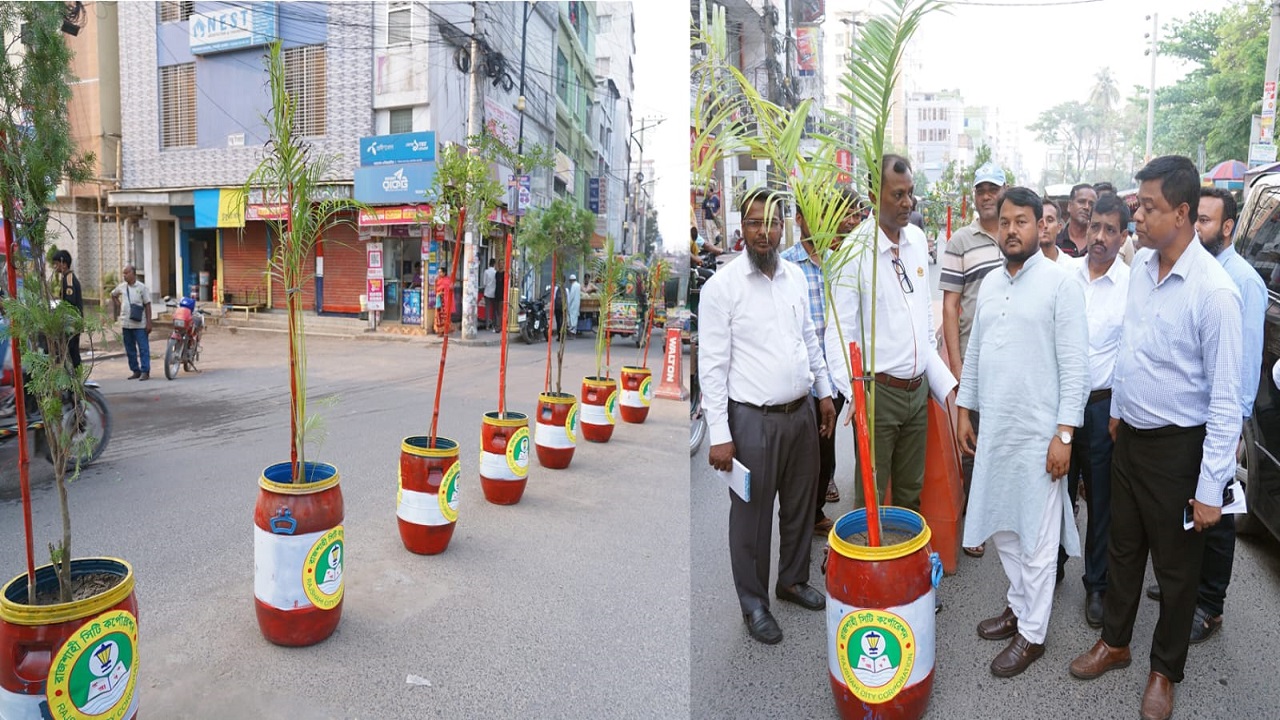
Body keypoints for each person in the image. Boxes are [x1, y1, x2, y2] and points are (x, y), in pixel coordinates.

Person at [1070, 156, 1242, 720]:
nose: (1137, 216)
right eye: (1138, 204)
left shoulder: (1215, 293)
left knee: (1175, 568)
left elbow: (1223, 400)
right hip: (1130, 441)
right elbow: (1131, 348)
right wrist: (1118, 409)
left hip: (1178, 450)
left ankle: (1165, 670)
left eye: (1149, 207)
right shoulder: (1141, 267)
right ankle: (1115, 643)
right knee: (1122, 550)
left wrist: (1211, 485)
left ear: (1184, 213)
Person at [957, 186, 1088, 678]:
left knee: (1035, 538)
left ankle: (1032, 633)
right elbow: (975, 354)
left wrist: (1065, 435)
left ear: (1041, 226)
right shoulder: (990, 283)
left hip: (1040, 437)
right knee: (1004, 528)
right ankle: (1018, 605)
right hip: (997, 430)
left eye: (1023, 221)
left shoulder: (1061, 284)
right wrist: (965, 409)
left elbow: (1076, 368)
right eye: (1005, 221)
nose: (1012, 229)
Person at [699, 188, 836, 645]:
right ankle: (754, 602)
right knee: (752, 517)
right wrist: (720, 434)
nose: (764, 232)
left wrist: (823, 394)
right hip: (752, 421)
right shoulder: (723, 287)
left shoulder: (796, 277)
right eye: (755, 222)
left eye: (772, 223)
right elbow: (712, 368)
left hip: (800, 416)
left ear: (784, 228)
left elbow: (809, 341)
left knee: (800, 505)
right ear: (742, 227)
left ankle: (792, 580)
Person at [1141, 187, 1265, 645]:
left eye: (1207, 222)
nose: (1197, 229)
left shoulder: (1240, 282)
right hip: (1191, 424)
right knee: (1189, 512)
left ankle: (1210, 605)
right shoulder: (1187, 270)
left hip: (1224, 422)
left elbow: (1242, 368)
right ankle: (1185, 586)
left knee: (1217, 516)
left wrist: (1234, 432)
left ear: (1227, 227)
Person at [826, 155, 948, 512]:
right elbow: (837, 331)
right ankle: (868, 566)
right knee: (872, 496)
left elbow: (924, 319)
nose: (907, 203)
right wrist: (853, 394)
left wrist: (943, 386)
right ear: (872, 194)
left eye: (910, 193)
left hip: (917, 392)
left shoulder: (917, 240)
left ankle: (904, 565)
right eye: (897, 195)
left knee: (911, 491)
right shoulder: (854, 252)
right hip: (877, 394)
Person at [781, 186, 861, 533]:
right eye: (812, 214)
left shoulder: (839, 261)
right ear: (799, 219)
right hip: (802, 374)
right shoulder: (785, 264)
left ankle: (813, 511)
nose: (820, 222)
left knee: (826, 445)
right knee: (804, 451)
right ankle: (800, 513)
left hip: (835, 371)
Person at [1068, 193, 1132, 629]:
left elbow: (1132, 353)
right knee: (1055, 491)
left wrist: (1119, 410)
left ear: (1124, 236)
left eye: (1111, 230)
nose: (1101, 237)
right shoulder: (1065, 276)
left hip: (1101, 406)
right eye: (1095, 228)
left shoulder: (1132, 284)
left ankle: (1096, 584)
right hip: (1060, 406)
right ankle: (1049, 566)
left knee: (1100, 502)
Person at [940, 160, 1006, 558]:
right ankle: (976, 523)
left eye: (992, 188)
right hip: (974, 357)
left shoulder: (1018, 234)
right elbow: (949, 306)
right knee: (973, 441)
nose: (986, 195)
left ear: (1003, 190)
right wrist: (955, 362)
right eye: (980, 189)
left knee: (1007, 438)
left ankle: (1003, 512)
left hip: (1013, 359)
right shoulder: (961, 242)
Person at [110, 264, 152, 381]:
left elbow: (147, 305)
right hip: (126, 323)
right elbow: (113, 294)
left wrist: (149, 322)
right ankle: (135, 370)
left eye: (126, 273)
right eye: (123, 273)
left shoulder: (142, 287)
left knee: (143, 348)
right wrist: (118, 304)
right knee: (130, 348)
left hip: (139, 324)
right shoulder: (122, 287)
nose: (124, 275)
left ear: (133, 274)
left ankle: (145, 371)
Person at [51, 250, 84, 371]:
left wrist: (57, 308)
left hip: (72, 323)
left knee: (72, 353)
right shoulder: (66, 278)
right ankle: (74, 382)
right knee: (70, 353)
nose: (55, 267)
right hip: (71, 323)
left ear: (64, 264)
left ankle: (76, 383)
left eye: (56, 263)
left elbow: (70, 302)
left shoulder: (69, 280)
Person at [1057, 183, 1097, 258]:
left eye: (1091, 204)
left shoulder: (1097, 243)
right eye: (1081, 202)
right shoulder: (1056, 241)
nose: (1086, 207)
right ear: (1069, 206)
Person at [1039, 198, 1079, 268]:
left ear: (1059, 227)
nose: (1044, 225)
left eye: (1050, 220)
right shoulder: (1022, 265)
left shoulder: (1071, 267)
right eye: (1040, 220)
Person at [433, 267, 452, 335]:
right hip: (439, 300)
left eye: (440, 272)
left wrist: (443, 293)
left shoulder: (448, 280)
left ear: (444, 273)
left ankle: (445, 330)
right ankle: (439, 331)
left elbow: (450, 290)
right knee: (438, 316)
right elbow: (435, 289)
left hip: (445, 301)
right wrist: (438, 292)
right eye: (439, 272)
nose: (439, 273)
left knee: (445, 316)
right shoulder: (437, 279)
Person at [483, 258, 498, 332]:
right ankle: (494, 325)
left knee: (487, 309)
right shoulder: (496, 272)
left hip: (487, 292)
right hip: (494, 293)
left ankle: (487, 326)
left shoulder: (486, 272)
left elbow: (484, 283)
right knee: (495, 310)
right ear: (494, 264)